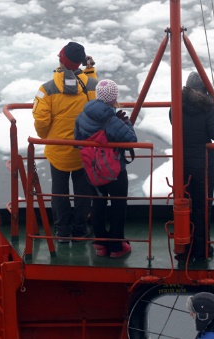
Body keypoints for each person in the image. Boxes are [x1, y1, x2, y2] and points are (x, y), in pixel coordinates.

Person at [32, 41, 98, 242]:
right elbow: (94, 96)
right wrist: (90, 71)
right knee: (82, 192)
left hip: (58, 151)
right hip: (83, 150)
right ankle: (80, 229)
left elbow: (41, 121)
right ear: (79, 62)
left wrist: (48, 138)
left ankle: (62, 232)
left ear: (62, 59)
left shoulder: (46, 89)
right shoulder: (92, 85)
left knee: (59, 192)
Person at [74, 79, 137, 258]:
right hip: (113, 171)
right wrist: (126, 122)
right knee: (118, 204)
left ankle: (100, 244)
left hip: (92, 170)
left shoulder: (83, 115)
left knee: (98, 202)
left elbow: (77, 140)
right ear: (114, 98)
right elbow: (131, 140)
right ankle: (117, 247)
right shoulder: (111, 120)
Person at [169, 71, 214, 260]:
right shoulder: (208, 109)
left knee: (185, 205)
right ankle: (202, 250)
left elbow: (173, 123)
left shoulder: (175, 106)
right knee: (203, 207)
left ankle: (185, 248)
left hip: (182, 164)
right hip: (204, 164)